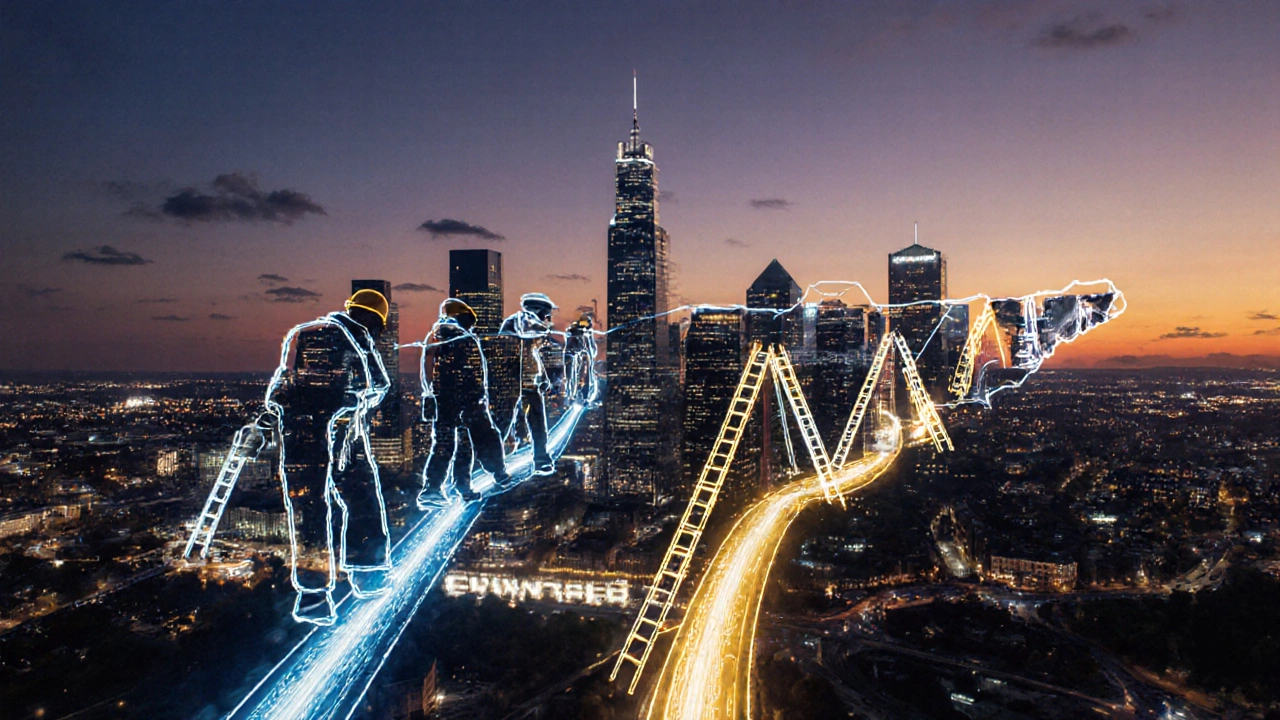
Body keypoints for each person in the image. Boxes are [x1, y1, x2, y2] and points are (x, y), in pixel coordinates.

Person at [260, 288, 393, 625]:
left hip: (298, 437)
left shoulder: (300, 333)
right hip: (343, 433)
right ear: (373, 320)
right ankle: (367, 573)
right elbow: (378, 384)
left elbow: (279, 390)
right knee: (361, 499)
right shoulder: (359, 339)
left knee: (308, 509)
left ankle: (313, 597)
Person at [417, 299, 512, 508]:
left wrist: (429, 394)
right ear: (463, 317)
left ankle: (437, 489)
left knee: (447, 444)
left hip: (442, 400)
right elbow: (474, 372)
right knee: (485, 437)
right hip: (468, 400)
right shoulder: (462, 337)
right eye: (470, 321)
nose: (472, 326)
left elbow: (427, 367)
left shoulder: (434, 336)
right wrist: (479, 397)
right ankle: (498, 473)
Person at [498, 293, 557, 475]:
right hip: (512, 382)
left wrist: (543, 376)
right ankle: (496, 464)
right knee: (504, 423)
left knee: (538, 423)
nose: (548, 319)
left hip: (530, 383)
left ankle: (541, 458)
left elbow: (533, 354)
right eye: (546, 315)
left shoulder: (533, 326)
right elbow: (523, 335)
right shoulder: (516, 322)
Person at [563, 313, 598, 404]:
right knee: (571, 375)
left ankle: (584, 396)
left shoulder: (588, 334)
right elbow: (569, 347)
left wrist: (588, 336)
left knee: (587, 373)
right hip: (573, 356)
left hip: (583, 356)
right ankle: (572, 395)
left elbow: (592, 351)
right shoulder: (574, 330)